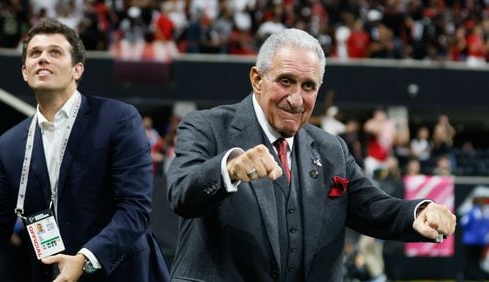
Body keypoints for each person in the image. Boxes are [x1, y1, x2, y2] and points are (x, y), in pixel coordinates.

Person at [166, 28, 456, 281]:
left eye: (308, 86)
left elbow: (374, 208)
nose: (295, 99)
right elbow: (182, 193)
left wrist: (419, 212)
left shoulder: (332, 149)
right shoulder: (206, 126)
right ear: (257, 79)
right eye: (285, 81)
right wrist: (228, 169)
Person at [0, 18, 169, 282]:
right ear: (25, 72)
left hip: (121, 273)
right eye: (35, 53)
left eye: (55, 52)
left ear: (77, 70)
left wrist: (85, 259)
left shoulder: (118, 119)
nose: (43, 59)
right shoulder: (9, 145)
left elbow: (135, 209)